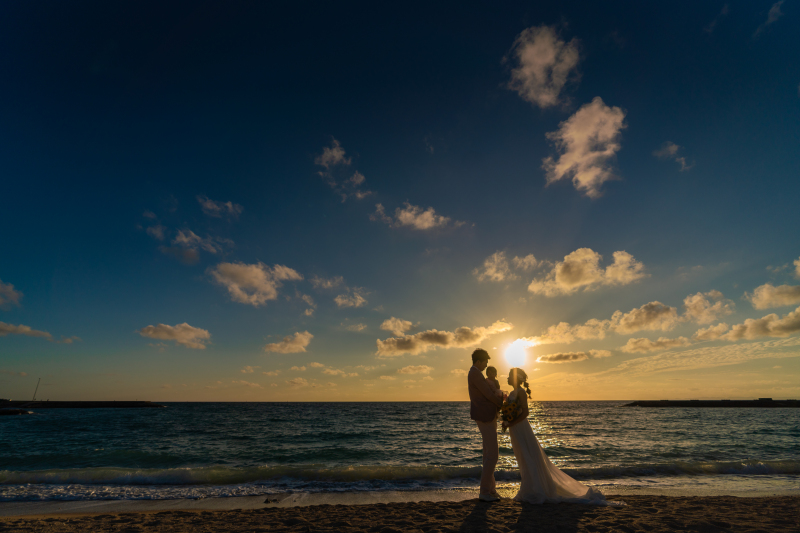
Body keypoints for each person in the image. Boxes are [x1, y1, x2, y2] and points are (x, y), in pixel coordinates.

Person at [504, 368, 621, 506]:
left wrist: (511, 422)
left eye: (510, 376)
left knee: (528, 457)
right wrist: (507, 419)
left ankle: (535, 490)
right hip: (515, 428)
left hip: (521, 427)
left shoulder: (521, 392)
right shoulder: (511, 393)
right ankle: (528, 489)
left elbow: (525, 413)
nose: (508, 378)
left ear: (516, 378)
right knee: (522, 458)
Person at [467, 348, 504, 502]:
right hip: (485, 416)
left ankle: (491, 489)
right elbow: (488, 394)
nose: (486, 365)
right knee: (493, 455)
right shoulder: (475, 373)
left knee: (488, 453)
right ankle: (484, 492)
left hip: (486, 415)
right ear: (479, 361)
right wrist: (501, 403)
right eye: (485, 362)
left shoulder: (477, 373)